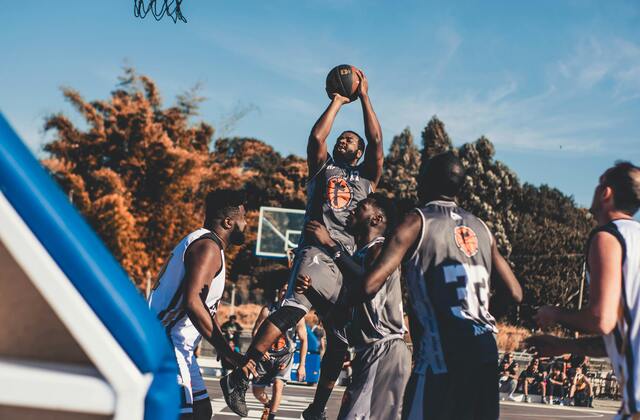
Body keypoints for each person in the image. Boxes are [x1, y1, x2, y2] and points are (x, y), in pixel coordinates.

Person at [221, 69, 384, 420]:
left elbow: (377, 142)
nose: (344, 141)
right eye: (341, 138)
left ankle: (317, 409)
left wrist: (366, 97)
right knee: (294, 308)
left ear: (359, 153)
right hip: (315, 250)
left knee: (339, 340)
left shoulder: (366, 179)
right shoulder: (324, 170)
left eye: (351, 140)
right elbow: (316, 138)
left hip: (344, 261)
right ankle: (242, 373)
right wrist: (340, 100)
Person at [346, 151, 524, 420]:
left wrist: (338, 303)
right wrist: (480, 318)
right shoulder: (482, 227)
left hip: (443, 350)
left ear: (425, 182)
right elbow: (515, 292)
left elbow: (371, 284)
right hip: (485, 347)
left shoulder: (418, 220)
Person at [525, 161, 640, 419]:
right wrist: (564, 345)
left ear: (606, 193)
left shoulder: (608, 238)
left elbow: (602, 318)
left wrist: (554, 314)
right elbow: (615, 338)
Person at [296, 193, 411, 419]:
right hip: (370, 352)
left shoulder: (380, 249)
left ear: (376, 219)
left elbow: (367, 283)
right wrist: (311, 293)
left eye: (361, 207)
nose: (352, 211)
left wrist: (329, 243)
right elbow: (338, 317)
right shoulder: (358, 257)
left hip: (384, 348)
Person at [148, 189, 255, 420]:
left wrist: (223, 349)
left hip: (178, 345)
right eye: (243, 219)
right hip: (168, 342)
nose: (245, 224)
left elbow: (206, 308)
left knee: (202, 412)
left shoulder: (207, 244)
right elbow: (193, 301)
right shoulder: (208, 248)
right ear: (228, 222)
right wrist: (228, 352)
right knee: (184, 416)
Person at [251, 284, 308, 420]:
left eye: (288, 291)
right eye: (283, 290)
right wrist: (260, 349)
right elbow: (255, 331)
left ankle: (271, 416)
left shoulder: (298, 314)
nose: (285, 293)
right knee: (257, 391)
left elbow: (304, 339)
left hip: (285, 357)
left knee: (278, 384)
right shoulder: (267, 310)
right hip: (266, 355)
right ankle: (268, 404)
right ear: (279, 292)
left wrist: (302, 365)